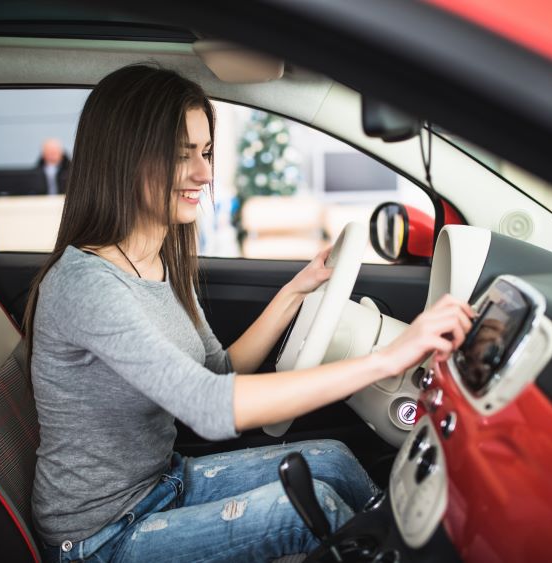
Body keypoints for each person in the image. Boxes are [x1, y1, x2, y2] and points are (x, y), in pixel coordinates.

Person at [24, 65, 473, 563]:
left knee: (334, 459)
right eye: (181, 156)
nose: (204, 173)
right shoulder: (86, 285)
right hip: (100, 537)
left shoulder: (156, 261)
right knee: (309, 510)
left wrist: (296, 291)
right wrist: (387, 360)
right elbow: (209, 403)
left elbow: (218, 369)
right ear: (124, 160)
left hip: (162, 482)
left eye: (206, 152)